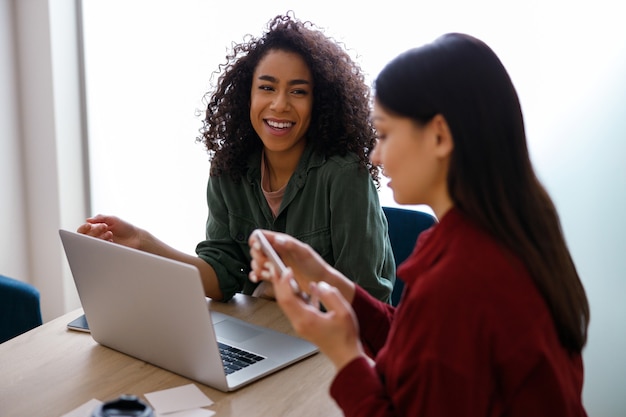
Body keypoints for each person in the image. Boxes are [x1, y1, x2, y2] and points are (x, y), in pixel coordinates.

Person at [249, 33, 590, 416]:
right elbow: (422, 340)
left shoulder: (459, 279)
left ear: (440, 136)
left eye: (385, 134)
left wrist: (345, 355)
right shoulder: (498, 235)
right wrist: (331, 280)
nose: (375, 156)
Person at [77, 12, 395, 303]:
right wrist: (141, 243)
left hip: (332, 346)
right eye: (267, 88)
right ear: (248, 95)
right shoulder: (228, 170)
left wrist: (282, 293)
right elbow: (222, 277)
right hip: (266, 336)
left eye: (298, 91)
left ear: (320, 102)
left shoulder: (343, 175)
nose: (280, 104)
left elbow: (367, 300)